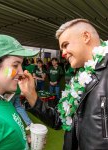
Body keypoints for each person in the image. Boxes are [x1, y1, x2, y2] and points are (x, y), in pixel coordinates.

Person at [23, 18, 108, 150]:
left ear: (86, 36)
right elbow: (59, 120)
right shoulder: (79, 78)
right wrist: (31, 96)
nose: (63, 53)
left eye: (66, 45)